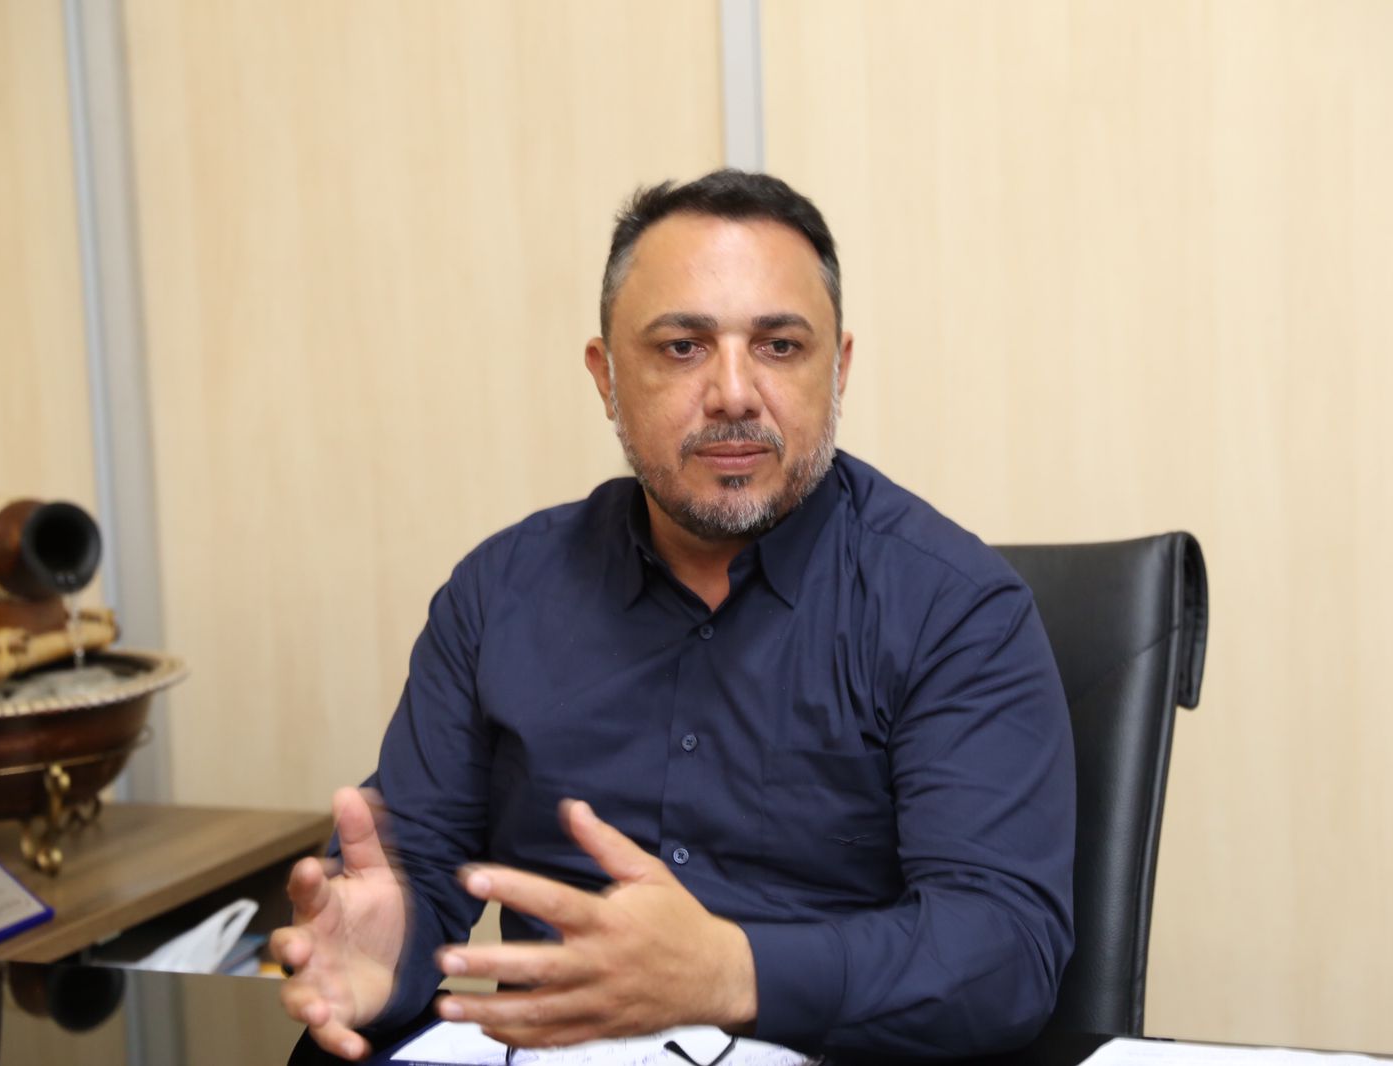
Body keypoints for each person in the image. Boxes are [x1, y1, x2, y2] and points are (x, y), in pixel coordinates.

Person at [273, 170, 1076, 1062]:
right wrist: (386, 950)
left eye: (779, 346)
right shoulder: (499, 594)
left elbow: (1003, 951)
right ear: (607, 377)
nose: (734, 392)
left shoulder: (956, 610)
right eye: (683, 347)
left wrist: (733, 972)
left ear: (839, 369)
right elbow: (419, 870)